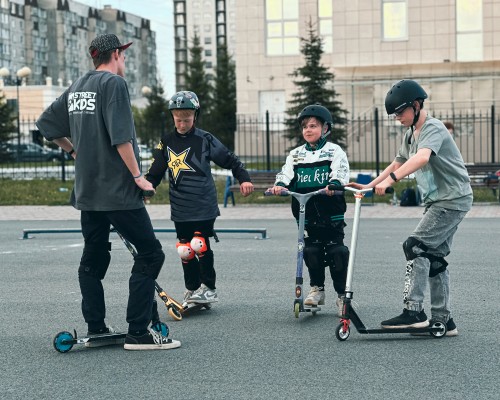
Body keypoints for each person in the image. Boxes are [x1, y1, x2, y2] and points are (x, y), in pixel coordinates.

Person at [35, 33, 180, 350]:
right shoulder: (113, 85)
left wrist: (74, 152)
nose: (124, 61)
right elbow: (121, 138)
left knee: (94, 257)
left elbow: (45, 123)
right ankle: (138, 331)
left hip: (88, 193)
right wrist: (138, 176)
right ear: (115, 54)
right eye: (124, 55)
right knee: (150, 253)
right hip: (117, 191)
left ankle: (96, 326)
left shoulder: (77, 87)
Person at [348, 79, 472, 335]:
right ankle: (443, 320)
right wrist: (369, 186)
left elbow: (422, 157)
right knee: (433, 256)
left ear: (416, 105)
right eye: (393, 114)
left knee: (414, 246)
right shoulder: (410, 133)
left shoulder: (433, 128)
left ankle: (414, 310)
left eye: (399, 112)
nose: (396, 118)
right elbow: (397, 163)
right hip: (441, 201)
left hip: (451, 200)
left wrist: (393, 182)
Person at [145, 90, 254, 307]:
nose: (183, 124)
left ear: (195, 116)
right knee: (184, 249)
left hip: (203, 203)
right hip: (180, 206)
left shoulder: (205, 139)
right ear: (172, 118)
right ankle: (192, 289)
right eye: (178, 120)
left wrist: (244, 179)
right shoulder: (166, 142)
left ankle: (209, 289)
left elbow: (230, 160)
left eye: (187, 119)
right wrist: (147, 188)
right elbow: (155, 172)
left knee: (199, 243)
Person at [269, 104, 350, 316]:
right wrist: (280, 185)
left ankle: (342, 295)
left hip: (330, 213)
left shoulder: (334, 151)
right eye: (304, 126)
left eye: (313, 125)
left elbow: (341, 172)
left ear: (325, 129)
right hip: (306, 213)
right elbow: (285, 174)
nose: (307, 130)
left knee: (336, 252)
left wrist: (334, 184)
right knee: (311, 250)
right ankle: (317, 289)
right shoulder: (295, 155)